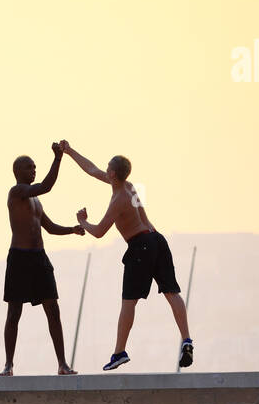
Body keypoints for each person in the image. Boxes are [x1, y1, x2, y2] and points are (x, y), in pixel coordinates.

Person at [61, 141, 193, 370]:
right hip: (157, 240)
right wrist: (70, 151)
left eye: (107, 169)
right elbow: (91, 170)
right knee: (172, 291)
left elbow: (100, 231)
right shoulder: (129, 185)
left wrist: (83, 222)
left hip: (140, 246)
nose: (103, 171)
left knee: (128, 301)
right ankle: (187, 339)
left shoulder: (118, 199)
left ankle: (119, 351)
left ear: (111, 174)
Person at [1, 143, 84, 376]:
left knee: (53, 310)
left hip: (39, 258)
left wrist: (72, 230)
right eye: (30, 167)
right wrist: (58, 158)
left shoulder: (36, 201)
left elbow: (48, 227)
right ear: (18, 172)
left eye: (35, 167)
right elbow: (46, 186)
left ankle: (62, 364)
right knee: (14, 312)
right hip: (19, 258)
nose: (33, 170)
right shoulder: (16, 192)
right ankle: (8, 365)